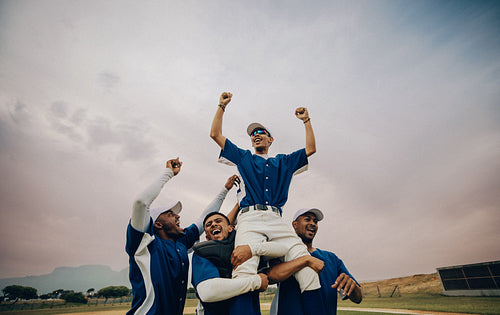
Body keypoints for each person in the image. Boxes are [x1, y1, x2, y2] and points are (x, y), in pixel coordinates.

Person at [210, 92, 326, 315]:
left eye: (261, 132)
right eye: (253, 134)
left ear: (270, 140)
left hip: (276, 218)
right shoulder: (245, 157)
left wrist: (306, 121)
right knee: (244, 273)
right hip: (250, 217)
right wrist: (221, 106)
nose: (256, 135)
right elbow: (215, 134)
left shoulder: (282, 161)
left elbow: (311, 149)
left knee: (309, 268)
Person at [125, 157, 239, 315]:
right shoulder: (144, 243)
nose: (178, 217)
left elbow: (203, 220)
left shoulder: (180, 243)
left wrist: (225, 190)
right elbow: (140, 203)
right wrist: (168, 173)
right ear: (157, 224)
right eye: (171, 214)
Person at [192, 208, 290, 315]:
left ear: (230, 228)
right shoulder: (201, 252)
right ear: (207, 237)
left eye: (218, 221)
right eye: (208, 224)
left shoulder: (246, 245)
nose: (213, 224)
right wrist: (256, 281)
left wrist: (252, 249)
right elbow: (207, 292)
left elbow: (283, 249)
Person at [267, 208, 362, 315]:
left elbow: (358, 298)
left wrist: (352, 286)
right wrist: (305, 260)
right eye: (307, 219)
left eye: (315, 221)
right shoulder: (283, 252)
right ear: (295, 224)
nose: (312, 224)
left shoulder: (332, 259)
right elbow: (270, 277)